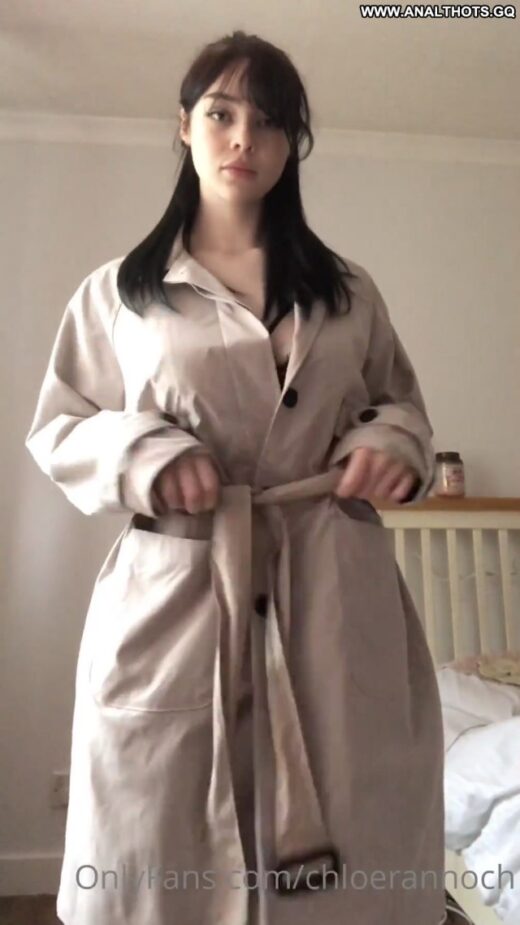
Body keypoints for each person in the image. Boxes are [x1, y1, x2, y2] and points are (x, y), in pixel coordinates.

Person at [25, 29, 447, 925]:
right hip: (177, 591)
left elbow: (401, 406)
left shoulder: (350, 293)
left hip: (332, 584)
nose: (243, 138)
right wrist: (146, 453)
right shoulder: (120, 294)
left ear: (294, 144)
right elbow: (61, 426)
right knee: (163, 834)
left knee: (352, 827)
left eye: (270, 121)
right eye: (221, 113)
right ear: (184, 126)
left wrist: (392, 445)